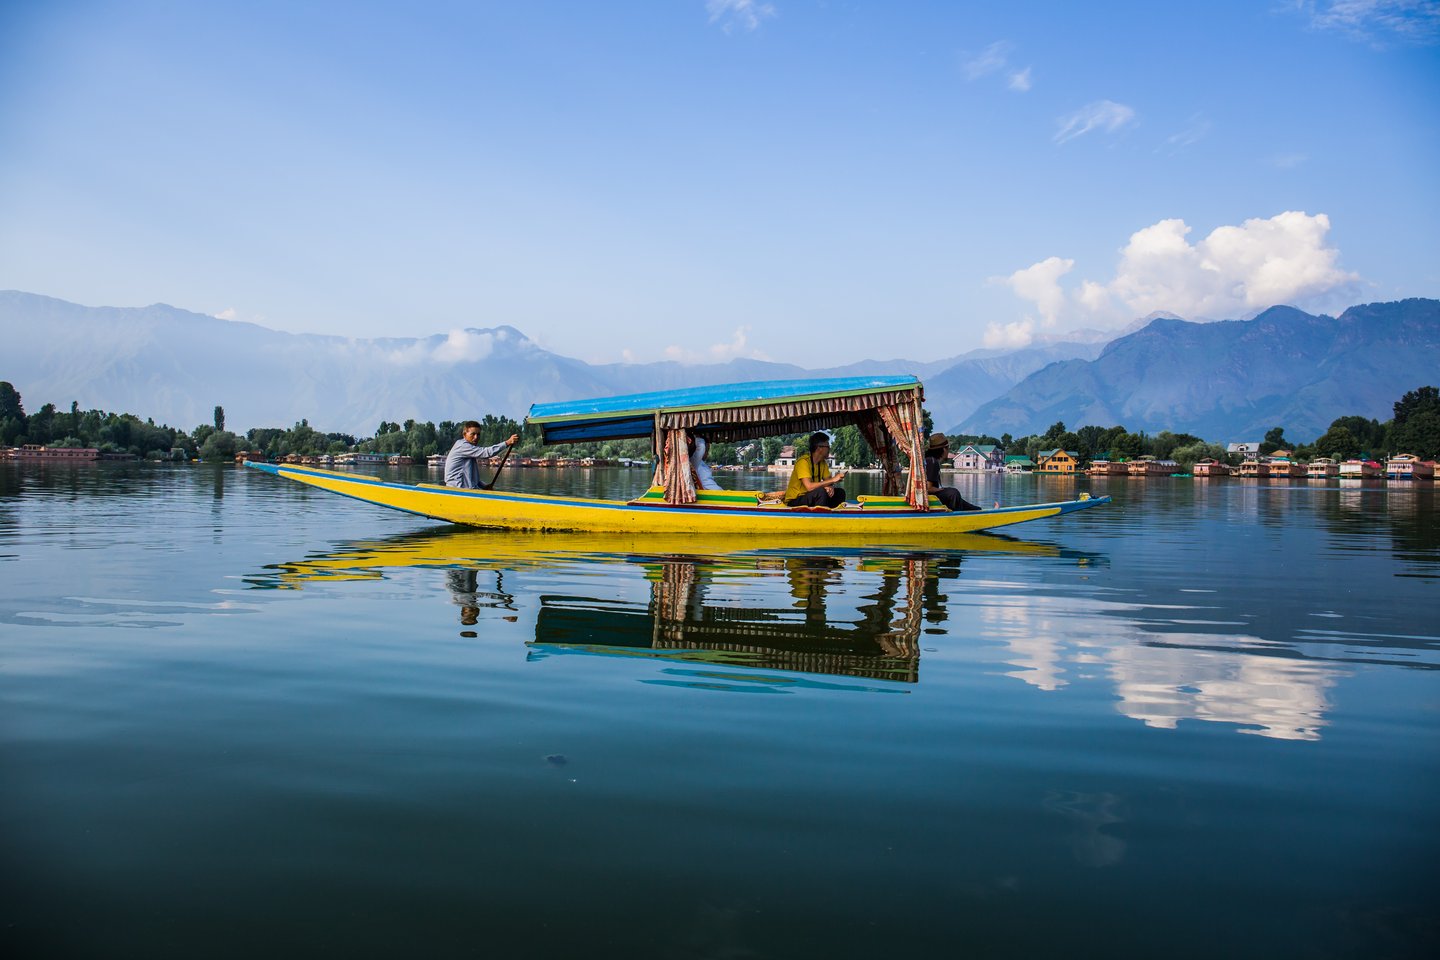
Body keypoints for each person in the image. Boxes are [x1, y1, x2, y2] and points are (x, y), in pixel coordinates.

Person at [444, 421, 519, 489]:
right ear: (464, 435)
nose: (476, 437)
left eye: (478, 434)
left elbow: (473, 478)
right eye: (473, 434)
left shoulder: (470, 451)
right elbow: (486, 453)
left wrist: (484, 486)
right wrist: (507, 443)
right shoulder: (462, 446)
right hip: (457, 489)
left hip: (467, 489)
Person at [785, 431, 847, 508]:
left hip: (811, 496)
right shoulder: (803, 462)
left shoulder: (823, 463)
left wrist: (830, 487)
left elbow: (829, 482)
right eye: (828, 447)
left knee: (840, 492)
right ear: (819, 448)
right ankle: (821, 517)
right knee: (821, 492)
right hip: (795, 500)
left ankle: (834, 515)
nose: (829, 449)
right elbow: (809, 487)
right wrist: (833, 480)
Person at [924, 433, 982, 511]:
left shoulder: (931, 460)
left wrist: (942, 489)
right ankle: (956, 516)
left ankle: (979, 510)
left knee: (959, 499)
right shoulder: (932, 461)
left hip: (932, 494)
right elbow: (929, 488)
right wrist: (942, 490)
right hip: (929, 496)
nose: (948, 451)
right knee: (953, 493)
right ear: (944, 449)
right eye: (948, 448)